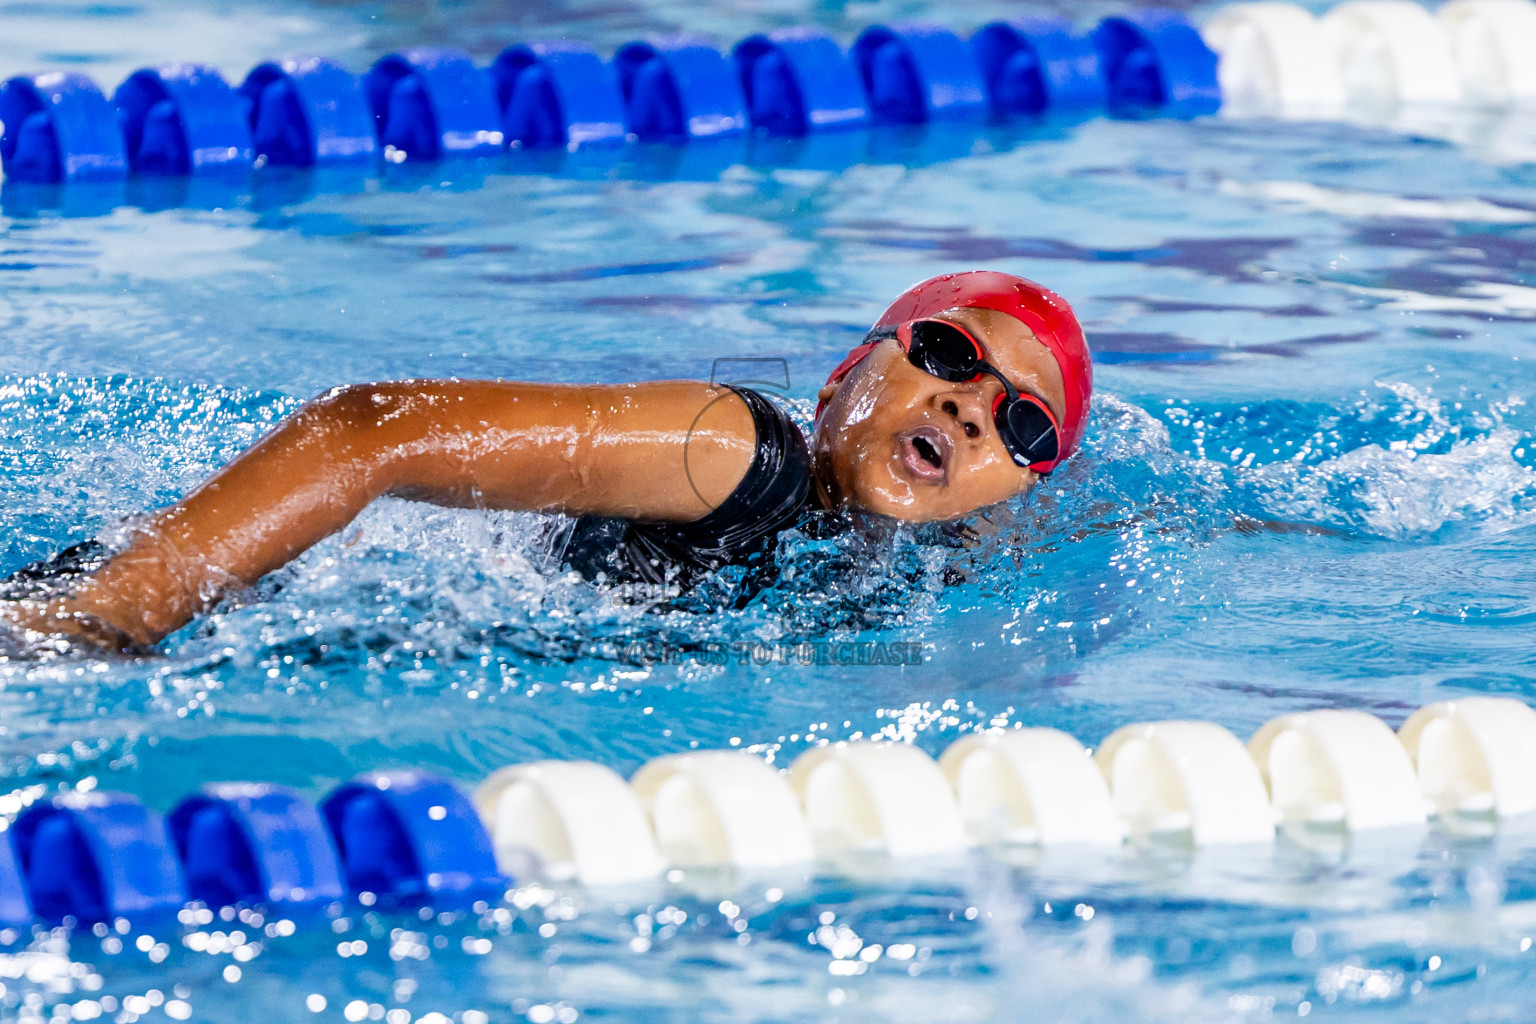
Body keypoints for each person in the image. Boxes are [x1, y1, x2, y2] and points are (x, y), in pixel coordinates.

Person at [0, 270, 1092, 653]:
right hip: (185, 602)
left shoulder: (920, 562)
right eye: (949, 351)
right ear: (847, 376)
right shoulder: (733, 450)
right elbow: (371, 427)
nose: (971, 405)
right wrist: (115, 618)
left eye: (1024, 424)